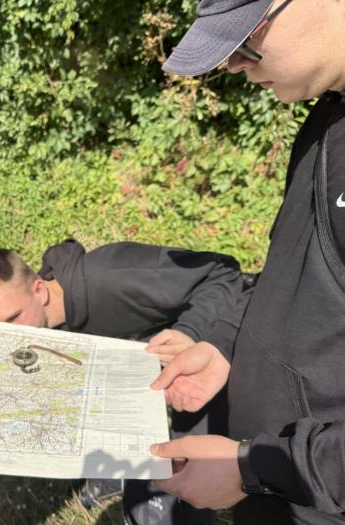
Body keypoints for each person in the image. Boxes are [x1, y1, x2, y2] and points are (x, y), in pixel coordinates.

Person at [146, 0, 345, 523]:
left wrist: (258, 467)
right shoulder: (327, 114)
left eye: (247, 37)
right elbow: (292, 271)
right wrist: (227, 344)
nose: (235, 63)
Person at [0, 238, 250, 525]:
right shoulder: (41, 327)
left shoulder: (112, 276)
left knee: (184, 482)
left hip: (217, 348)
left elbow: (223, 272)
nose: (11, 336)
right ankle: (116, 477)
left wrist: (190, 331)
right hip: (149, 365)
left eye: (14, 318)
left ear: (39, 290)